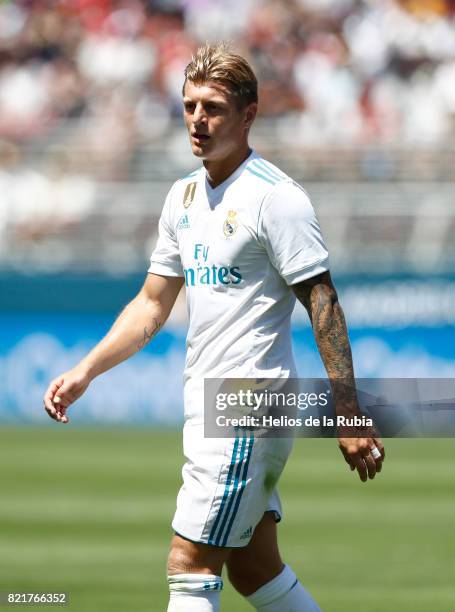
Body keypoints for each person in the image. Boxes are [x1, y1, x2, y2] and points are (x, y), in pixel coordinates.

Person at [44, 43, 385, 612]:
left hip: (248, 402)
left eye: (213, 107)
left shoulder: (276, 199)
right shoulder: (182, 197)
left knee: (189, 566)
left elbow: (322, 302)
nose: (197, 120)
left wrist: (347, 412)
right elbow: (152, 305)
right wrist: (87, 370)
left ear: (248, 115)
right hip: (212, 404)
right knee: (255, 569)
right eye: (189, 106)